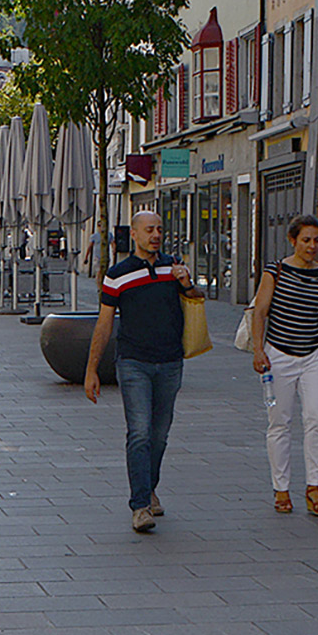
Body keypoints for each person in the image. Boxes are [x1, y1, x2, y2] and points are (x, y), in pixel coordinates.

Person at [85, 209, 201, 532]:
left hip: (170, 361)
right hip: (134, 362)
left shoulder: (172, 267)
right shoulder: (117, 274)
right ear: (133, 234)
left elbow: (196, 298)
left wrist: (186, 282)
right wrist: (91, 369)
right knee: (139, 433)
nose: (156, 235)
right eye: (149, 230)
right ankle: (140, 506)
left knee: (160, 435)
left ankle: (148, 487)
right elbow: (104, 323)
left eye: (159, 229)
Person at [249, 213, 318, 517]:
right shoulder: (275, 271)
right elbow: (260, 311)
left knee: (317, 417)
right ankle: (281, 488)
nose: (312, 246)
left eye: (316, 240)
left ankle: (314, 487)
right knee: (280, 422)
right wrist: (258, 350)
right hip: (278, 354)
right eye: (305, 240)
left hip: (313, 355)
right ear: (293, 241)